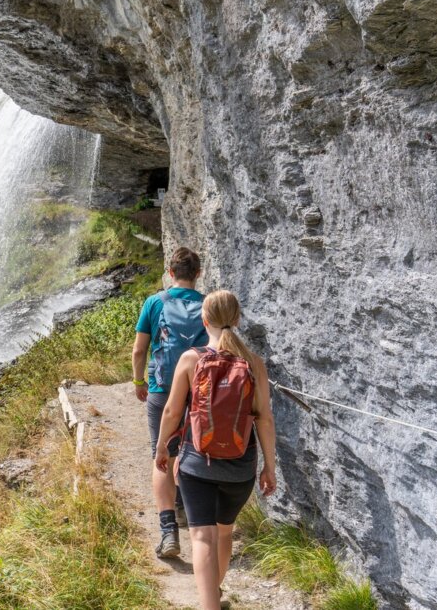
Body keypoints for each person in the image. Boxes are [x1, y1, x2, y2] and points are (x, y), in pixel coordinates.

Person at [154, 290, 278, 610]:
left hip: (198, 463)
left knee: (201, 538)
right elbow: (264, 419)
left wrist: (162, 448)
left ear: (203, 319)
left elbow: (170, 412)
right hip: (240, 466)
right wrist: (269, 467)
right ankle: (215, 593)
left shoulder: (191, 359)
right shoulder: (254, 364)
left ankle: (209, 604)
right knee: (224, 535)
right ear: (237, 320)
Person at [132, 247, 207, 558]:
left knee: (162, 454)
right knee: (195, 448)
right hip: (201, 389)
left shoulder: (154, 302)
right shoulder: (208, 305)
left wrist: (139, 382)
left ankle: (168, 533)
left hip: (162, 388)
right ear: (198, 273)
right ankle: (187, 508)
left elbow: (139, 350)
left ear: (170, 272)